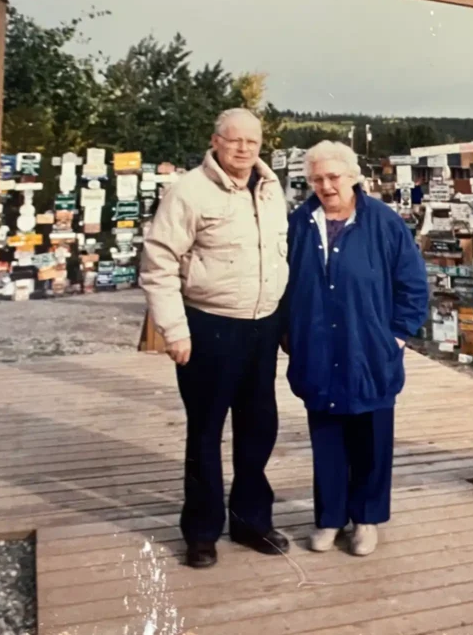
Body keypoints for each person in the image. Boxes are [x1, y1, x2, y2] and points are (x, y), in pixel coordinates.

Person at [139, 107, 290, 569]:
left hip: (262, 326)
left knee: (258, 427)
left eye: (252, 141)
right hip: (209, 327)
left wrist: (286, 325)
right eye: (234, 139)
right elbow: (158, 262)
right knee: (206, 432)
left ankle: (251, 522)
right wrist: (174, 330)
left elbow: (280, 257)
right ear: (215, 141)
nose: (243, 148)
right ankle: (202, 532)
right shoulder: (189, 191)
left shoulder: (271, 188)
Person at [280, 141, 430, 556]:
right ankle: (330, 518)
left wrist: (395, 336)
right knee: (327, 438)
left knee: (371, 437)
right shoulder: (299, 223)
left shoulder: (383, 222)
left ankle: (366, 519)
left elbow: (413, 285)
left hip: (370, 349)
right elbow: (281, 282)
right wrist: (288, 334)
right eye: (317, 179)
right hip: (317, 348)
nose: (326, 186)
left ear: (352, 176)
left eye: (333, 177)